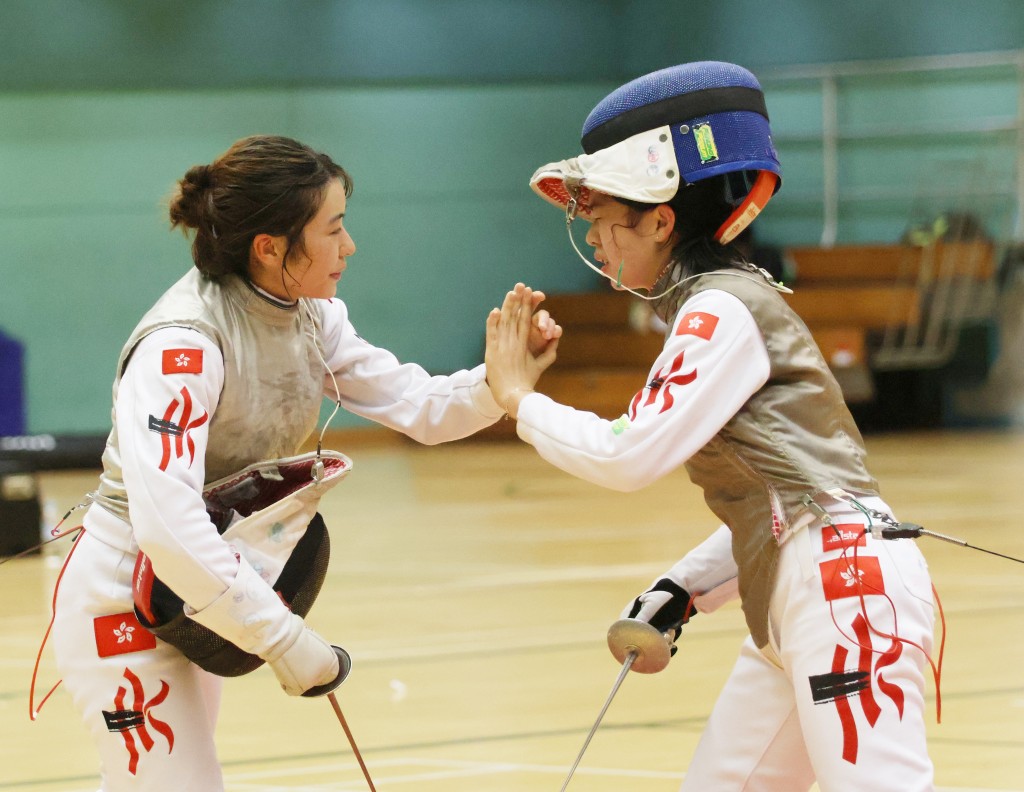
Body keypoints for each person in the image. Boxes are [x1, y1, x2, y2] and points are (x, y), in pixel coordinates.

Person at [48, 134, 560, 791]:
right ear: (270, 246)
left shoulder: (313, 317)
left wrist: (501, 383)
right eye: (333, 230)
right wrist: (283, 640)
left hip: (198, 590)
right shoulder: (184, 346)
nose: (349, 247)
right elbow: (167, 525)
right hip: (124, 596)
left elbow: (418, 405)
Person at [484, 62, 936, 790]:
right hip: (802, 594)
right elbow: (781, 503)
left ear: (661, 220)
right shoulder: (722, 303)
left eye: (603, 225)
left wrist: (519, 400)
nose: (596, 246)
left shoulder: (721, 309)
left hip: (844, 594)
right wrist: (683, 587)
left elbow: (628, 456)